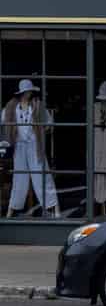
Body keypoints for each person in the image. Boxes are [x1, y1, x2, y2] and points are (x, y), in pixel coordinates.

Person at [6, 81, 57, 218]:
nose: (30, 93)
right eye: (28, 91)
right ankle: (10, 211)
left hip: (35, 145)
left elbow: (49, 123)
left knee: (41, 176)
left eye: (30, 91)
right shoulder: (12, 107)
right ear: (23, 92)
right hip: (20, 146)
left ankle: (54, 208)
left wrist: (41, 131)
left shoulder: (37, 105)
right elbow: (4, 121)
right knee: (19, 179)